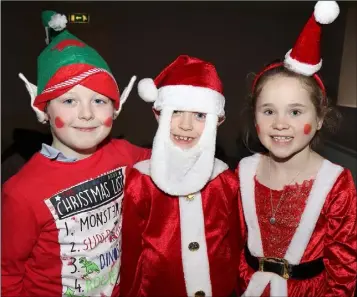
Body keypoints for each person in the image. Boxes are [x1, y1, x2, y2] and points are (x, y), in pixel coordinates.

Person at [1, 11, 150, 297]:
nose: (86, 114)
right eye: (69, 100)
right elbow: (6, 274)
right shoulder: (20, 193)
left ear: (115, 109)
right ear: (43, 110)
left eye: (99, 100)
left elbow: (170, 164)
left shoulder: (124, 154)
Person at [236, 2, 357, 297]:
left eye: (295, 112)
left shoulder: (336, 184)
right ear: (255, 117)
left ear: (318, 119)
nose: (280, 124)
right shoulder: (242, 172)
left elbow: (343, 272)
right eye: (268, 111)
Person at [120, 55, 240, 297]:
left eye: (199, 115)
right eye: (176, 112)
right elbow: (131, 253)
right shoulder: (140, 181)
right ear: (159, 115)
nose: (186, 125)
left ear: (217, 121)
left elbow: (235, 245)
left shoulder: (226, 180)